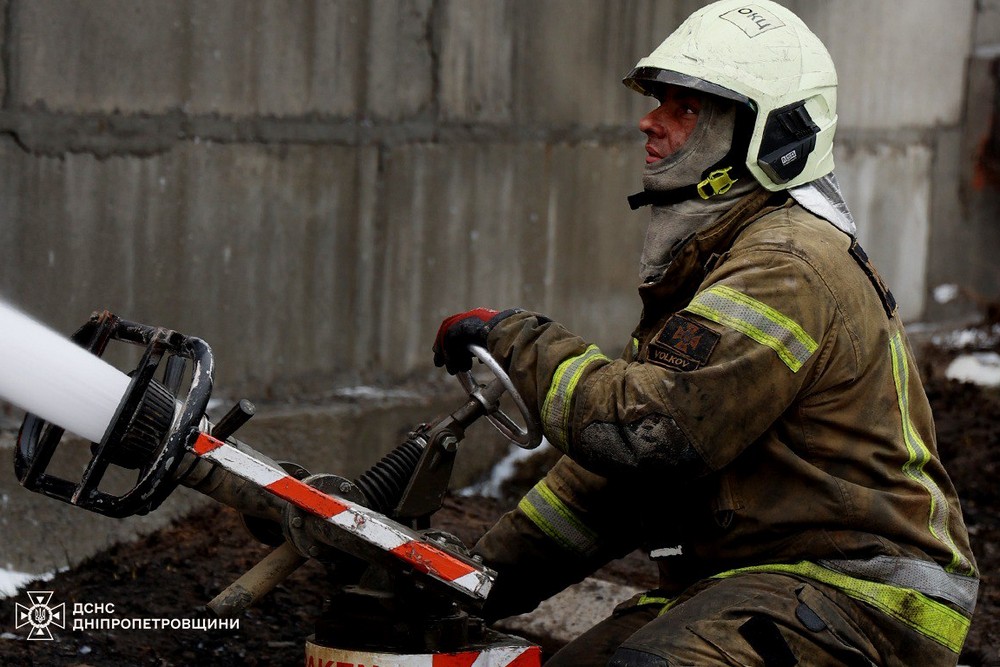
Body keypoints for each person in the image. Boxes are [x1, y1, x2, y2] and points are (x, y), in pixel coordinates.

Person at [432, 1, 978, 665]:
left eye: (684, 108)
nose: (650, 121)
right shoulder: (717, 260)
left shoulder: (788, 263)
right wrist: (463, 583)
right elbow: (608, 486)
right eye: (661, 101)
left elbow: (652, 431)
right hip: (749, 583)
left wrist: (519, 344)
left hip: (862, 595)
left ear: (773, 136)